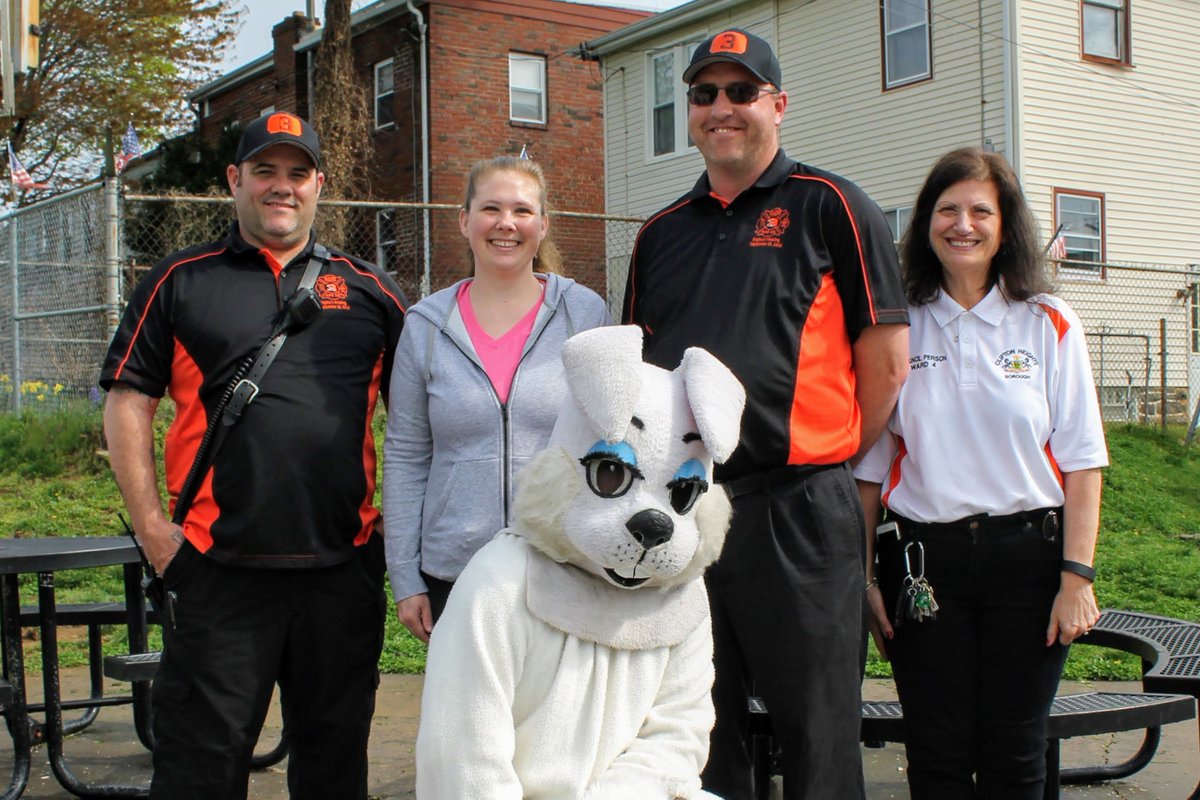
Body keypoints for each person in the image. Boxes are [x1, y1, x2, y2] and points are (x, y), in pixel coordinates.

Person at [622, 29, 910, 800]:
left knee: (817, 736)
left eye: (741, 92)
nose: (722, 108)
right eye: (705, 94)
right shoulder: (657, 236)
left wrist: (827, 455)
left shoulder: (832, 207)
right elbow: (640, 385)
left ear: (778, 105)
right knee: (694, 734)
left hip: (799, 514)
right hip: (686, 514)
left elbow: (886, 365)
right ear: (690, 113)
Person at [100, 111, 407, 799]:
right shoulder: (180, 279)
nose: (282, 187)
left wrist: (400, 524)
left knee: (334, 765)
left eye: (298, 173)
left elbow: (421, 416)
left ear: (319, 185)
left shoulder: (370, 289)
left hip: (339, 570)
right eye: (264, 171)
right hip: (215, 568)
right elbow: (127, 402)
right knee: (201, 769)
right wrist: (154, 532)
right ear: (234, 180)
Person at [854, 147, 1107, 799]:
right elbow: (870, 472)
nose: (962, 224)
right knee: (937, 752)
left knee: (1014, 754)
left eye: (979, 211)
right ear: (925, 222)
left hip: (1029, 561)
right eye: (947, 209)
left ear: (1005, 225)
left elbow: (1083, 462)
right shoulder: (898, 323)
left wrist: (1076, 577)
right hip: (922, 565)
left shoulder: (1049, 320)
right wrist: (863, 578)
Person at [382, 155, 610, 643]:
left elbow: (612, 438)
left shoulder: (584, 314)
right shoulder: (425, 325)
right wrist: (405, 577)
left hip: (564, 566)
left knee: (557, 719)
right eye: (491, 208)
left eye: (523, 211)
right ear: (465, 220)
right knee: (468, 718)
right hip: (456, 572)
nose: (506, 224)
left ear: (543, 225)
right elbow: (406, 453)